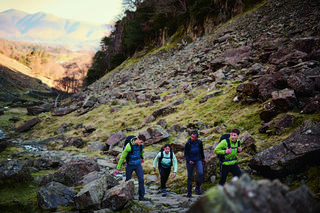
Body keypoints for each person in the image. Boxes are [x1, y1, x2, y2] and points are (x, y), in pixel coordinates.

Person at [114, 134, 147, 201]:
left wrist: (142, 158)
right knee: (128, 181)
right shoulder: (129, 146)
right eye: (141, 142)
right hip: (129, 165)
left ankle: (141, 197)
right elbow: (122, 157)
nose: (141, 144)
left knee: (141, 179)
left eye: (142, 142)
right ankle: (127, 197)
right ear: (137, 139)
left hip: (138, 165)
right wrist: (118, 168)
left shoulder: (141, 145)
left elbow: (141, 151)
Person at [184, 131, 205, 197]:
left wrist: (203, 158)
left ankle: (197, 187)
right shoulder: (188, 143)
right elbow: (185, 154)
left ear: (197, 138)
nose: (192, 138)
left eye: (193, 137)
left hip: (198, 159)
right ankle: (189, 191)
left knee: (201, 173)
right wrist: (189, 160)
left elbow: (201, 151)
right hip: (190, 161)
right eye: (191, 136)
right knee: (190, 176)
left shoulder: (199, 142)